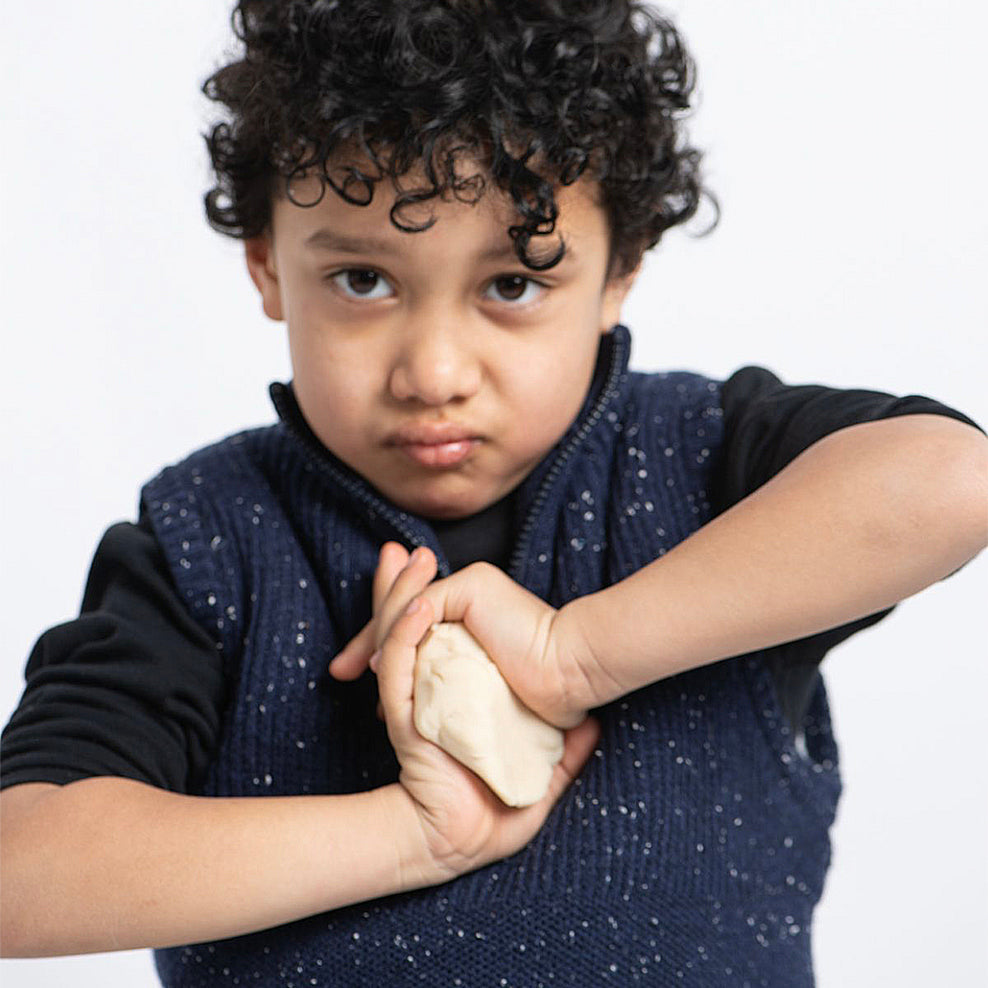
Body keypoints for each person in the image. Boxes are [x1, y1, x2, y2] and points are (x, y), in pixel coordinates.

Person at [1, 1, 985, 985]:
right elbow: (19, 870)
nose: (433, 372)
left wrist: (575, 655)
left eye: (513, 284)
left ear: (620, 272)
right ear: (266, 263)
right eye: (361, 280)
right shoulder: (206, 541)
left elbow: (956, 478)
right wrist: (408, 838)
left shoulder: (707, 463)